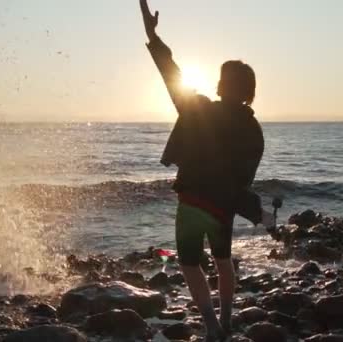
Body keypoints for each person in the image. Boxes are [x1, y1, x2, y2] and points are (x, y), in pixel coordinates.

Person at [140, 1, 273, 340]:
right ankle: (227, 320)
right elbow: (245, 177)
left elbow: (171, 73)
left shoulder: (197, 108)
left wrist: (154, 37)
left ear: (220, 86)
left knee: (188, 264)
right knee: (223, 260)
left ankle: (211, 327)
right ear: (250, 93)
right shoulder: (253, 130)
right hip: (222, 208)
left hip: (191, 202)